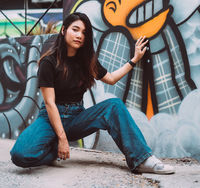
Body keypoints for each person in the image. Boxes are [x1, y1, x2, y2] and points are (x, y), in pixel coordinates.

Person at [10, 12, 174, 174]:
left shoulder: (87, 61)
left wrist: (134, 60)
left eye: (84, 32)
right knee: (19, 155)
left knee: (113, 105)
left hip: (76, 118)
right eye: (75, 29)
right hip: (51, 118)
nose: (79, 35)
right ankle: (52, 151)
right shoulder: (49, 62)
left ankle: (142, 159)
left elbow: (110, 78)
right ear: (63, 30)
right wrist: (62, 139)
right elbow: (50, 103)